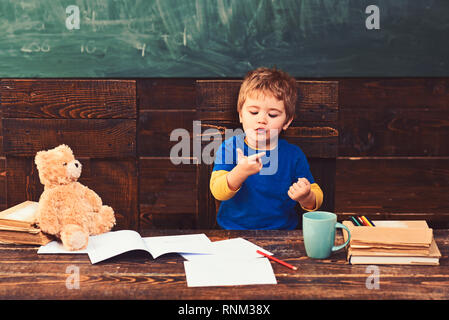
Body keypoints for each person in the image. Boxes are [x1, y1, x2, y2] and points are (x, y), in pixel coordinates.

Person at [210, 67, 323, 229]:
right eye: (254, 112)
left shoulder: (293, 155)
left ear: (287, 122)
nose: (262, 120)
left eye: (273, 115)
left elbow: (316, 197)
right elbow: (218, 191)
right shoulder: (230, 147)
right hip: (233, 231)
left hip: (282, 233)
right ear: (241, 114)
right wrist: (240, 171)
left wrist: (306, 196)